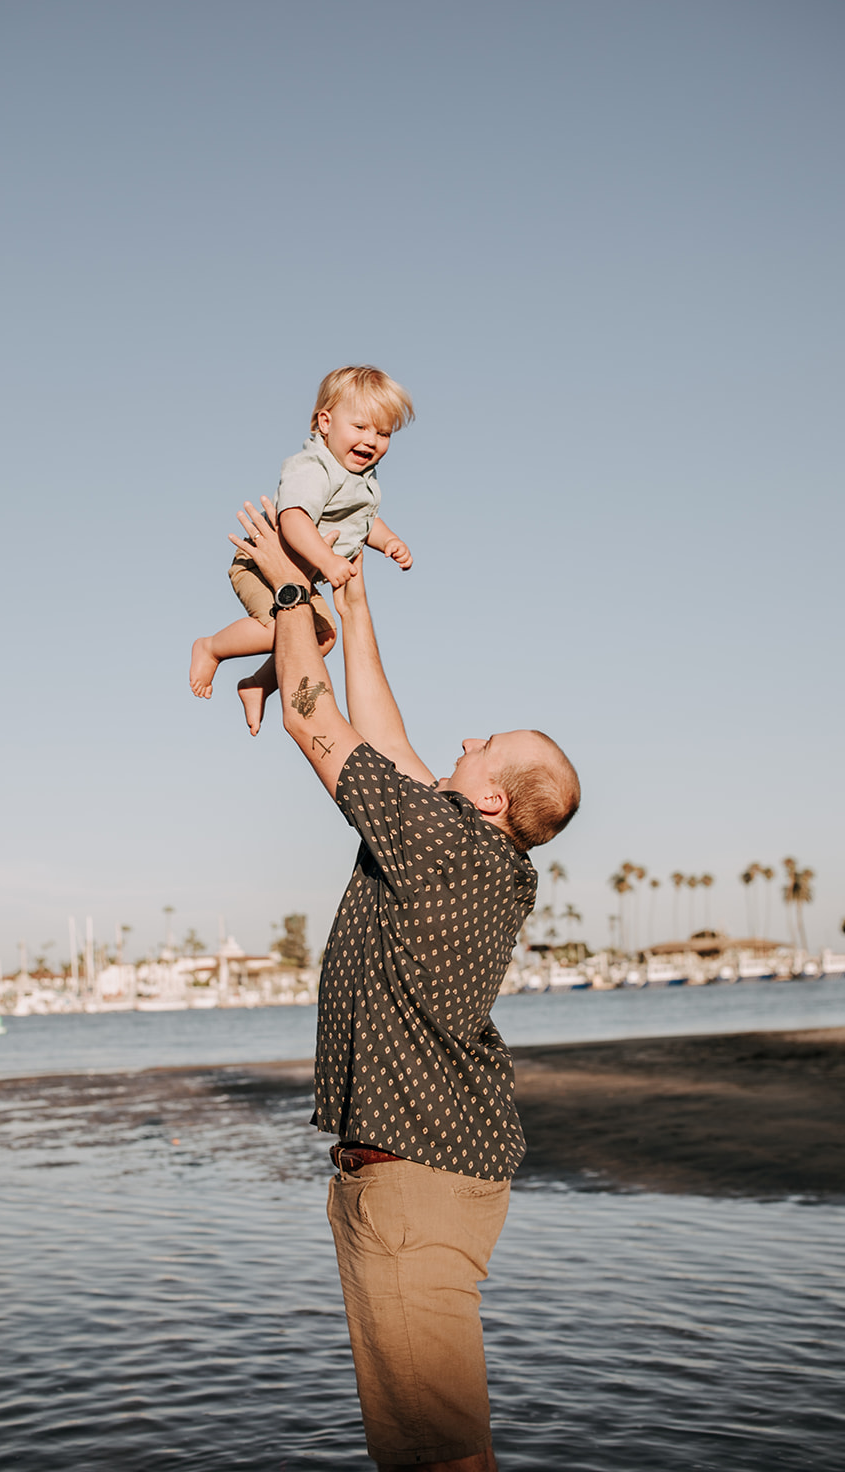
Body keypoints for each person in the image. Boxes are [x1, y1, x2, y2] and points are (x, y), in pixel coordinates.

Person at [227, 497, 580, 1472]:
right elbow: (378, 724)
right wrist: (353, 590)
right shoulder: (485, 855)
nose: (462, 739)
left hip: (413, 1179)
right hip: (424, 1170)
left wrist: (288, 587)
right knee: (420, 1444)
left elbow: (315, 720)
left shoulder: (439, 840)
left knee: (440, 1451)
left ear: (491, 796)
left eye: (480, 744)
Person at [189, 365, 414, 734]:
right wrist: (327, 559)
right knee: (281, 627)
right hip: (261, 566)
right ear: (325, 422)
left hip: (298, 578)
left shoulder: (359, 480)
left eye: (383, 433)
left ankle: (259, 682)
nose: (371, 440)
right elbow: (293, 518)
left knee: (322, 638)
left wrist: (388, 541)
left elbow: (364, 520)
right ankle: (211, 647)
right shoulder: (313, 467)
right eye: (360, 427)